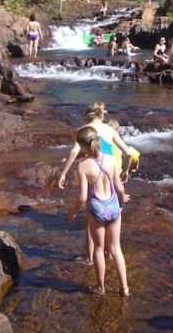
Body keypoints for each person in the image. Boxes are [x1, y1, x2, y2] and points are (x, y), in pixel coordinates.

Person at [67, 125, 130, 296]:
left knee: (99, 250)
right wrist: (123, 195)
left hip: (97, 208)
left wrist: (72, 213)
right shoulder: (110, 159)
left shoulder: (83, 166)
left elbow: (82, 197)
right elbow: (118, 186)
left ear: (82, 145)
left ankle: (101, 288)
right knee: (116, 250)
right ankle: (124, 288)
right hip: (113, 205)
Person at [58, 102, 137, 189]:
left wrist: (63, 174)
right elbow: (128, 154)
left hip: (93, 169)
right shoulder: (110, 129)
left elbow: (74, 152)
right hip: (110, 169)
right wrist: (125, 171)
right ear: (102, 115)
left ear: (86, 117)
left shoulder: (83, 130)